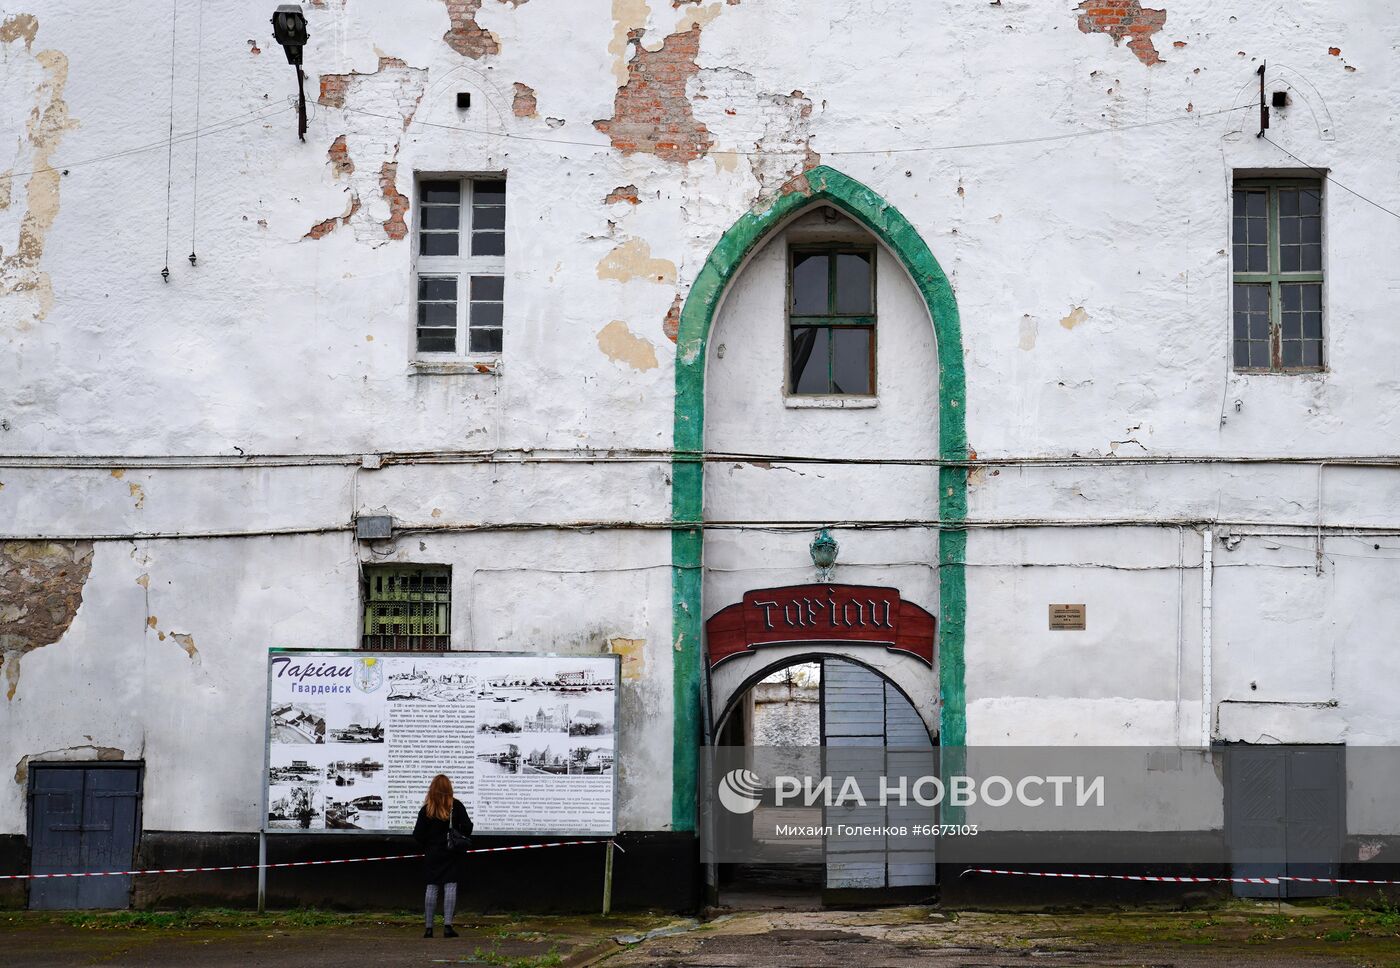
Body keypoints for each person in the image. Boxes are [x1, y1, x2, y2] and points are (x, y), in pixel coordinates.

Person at [412, 774, 473, 938]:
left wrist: (429, 844)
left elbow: (417, 834)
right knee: (450, 886)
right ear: (449, 789)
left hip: (432, 853)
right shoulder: (456, 806)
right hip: (451, 851)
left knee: (431, 887)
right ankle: (447, 926)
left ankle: (429, 928)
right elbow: (468, 827)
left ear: (432, 789)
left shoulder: (427, 809)